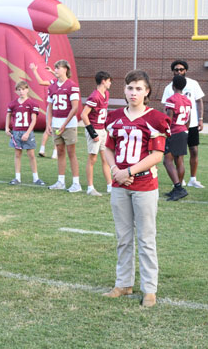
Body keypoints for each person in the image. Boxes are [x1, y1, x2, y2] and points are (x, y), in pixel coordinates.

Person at [103, 70, 170, 308]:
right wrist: (115, 170)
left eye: (139, 88)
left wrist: (129, 171)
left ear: (147, 91)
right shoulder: (114, 117)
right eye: (130, 88)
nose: (134, 93)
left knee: (146, 238)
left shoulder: (155, 119)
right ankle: (123, 283)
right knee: (123, 237)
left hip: (144, 184)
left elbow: (157, 155)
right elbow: (108, 148)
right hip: (120, 183)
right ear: (124, 89)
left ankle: (149, 288)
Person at [30, 60, 81, 192]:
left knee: (71, 153)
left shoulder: (72, 85)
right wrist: (49, 123)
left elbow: (75, 107)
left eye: (58, 68)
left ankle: (76, 183)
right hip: (56, 123)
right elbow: (49, 107)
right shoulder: (52, 86)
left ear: (65, 69)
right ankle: (61, 181)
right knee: (60, 152)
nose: (56, 70)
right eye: (55, 68)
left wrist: (64, 124)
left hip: (68, 124)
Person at [161, 60, 205, 189]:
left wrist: (201, 119)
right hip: (180, 126)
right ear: (173, 71)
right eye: (176, 69)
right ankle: (179, 182)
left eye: (181, 69)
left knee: (193, 151)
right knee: (177, 156)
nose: (179, 71)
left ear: (185, 70)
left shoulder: (193, 83)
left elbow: (199, 101)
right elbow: (165, 108)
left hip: (188, 125)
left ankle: (192, 179)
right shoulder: (168, 88)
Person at [5, 80, 45, 186]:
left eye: (23, 89)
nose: (21, 91)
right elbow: (8, 115)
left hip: (27, 131)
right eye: (19, 90)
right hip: (16, 131)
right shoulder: (13, 104)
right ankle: (17, 177)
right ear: (16, 91)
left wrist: (27, 133)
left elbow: (34, 120)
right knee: (17, 154)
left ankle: (36, 178)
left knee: (31, 154)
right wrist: (7, 128)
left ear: (27, 90)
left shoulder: (32, 104)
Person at [81, 71, 112, 196]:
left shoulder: (106, 94)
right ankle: (90, 187)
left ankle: (110, 185)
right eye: (109, 81)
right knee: (92, 159)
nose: (110, 83)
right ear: (103, 81)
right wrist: (92, 133)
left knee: (106, 158)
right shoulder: (94, 96)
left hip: (102, 130)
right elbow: (83, 115)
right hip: (94, 130)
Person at [163, 75, 191, 201]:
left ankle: (178, 188)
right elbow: (189, 119)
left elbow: (168, 118)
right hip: (183, 131)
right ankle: (177, 188)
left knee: (167, 161)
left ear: (173, 86)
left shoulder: (171, 99)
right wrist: (185, 130)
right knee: (179, 161)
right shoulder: (187, 100)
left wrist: (165, 132)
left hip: (174, 132)